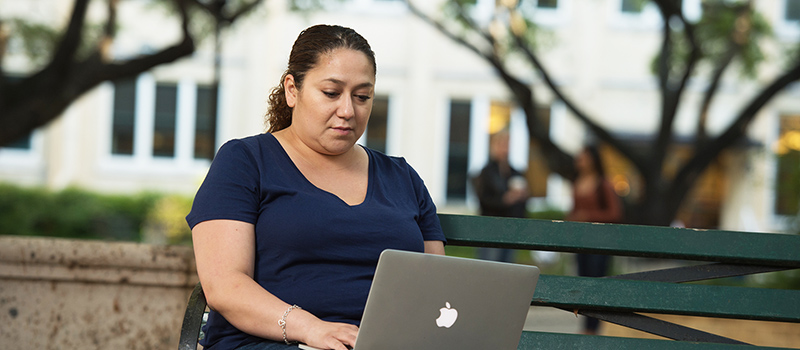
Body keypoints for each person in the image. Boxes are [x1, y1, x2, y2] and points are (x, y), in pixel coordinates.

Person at [186, 24, 446, 350]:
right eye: (331, 93)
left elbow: (439, 287)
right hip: (274, 342)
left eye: (362, 96)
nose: (348, 111)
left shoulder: (402, 177)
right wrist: (311, 330)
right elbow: (224, 285)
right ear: (292, 90)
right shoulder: (245, 161)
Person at [566, 145, 623, 335]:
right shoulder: (577, 182)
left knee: (596, 285)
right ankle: (586, 326)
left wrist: (588, 215)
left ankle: (592, 329)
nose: (580, 160)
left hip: (599, 244)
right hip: (581, 243)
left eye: (584, 157)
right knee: (584, 284)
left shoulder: (603, 184)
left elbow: (615, 213)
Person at [472, 129, 529, 263]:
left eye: (507, 144)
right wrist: (505, 200)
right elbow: (483, 199)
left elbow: (524, 202)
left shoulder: (515, 172)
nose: (505, 148)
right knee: (490, 267)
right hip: (491, 228)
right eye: (502, 144)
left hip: (511, 228)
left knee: (508, 266)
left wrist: (522, 197)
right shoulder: (486, 172)